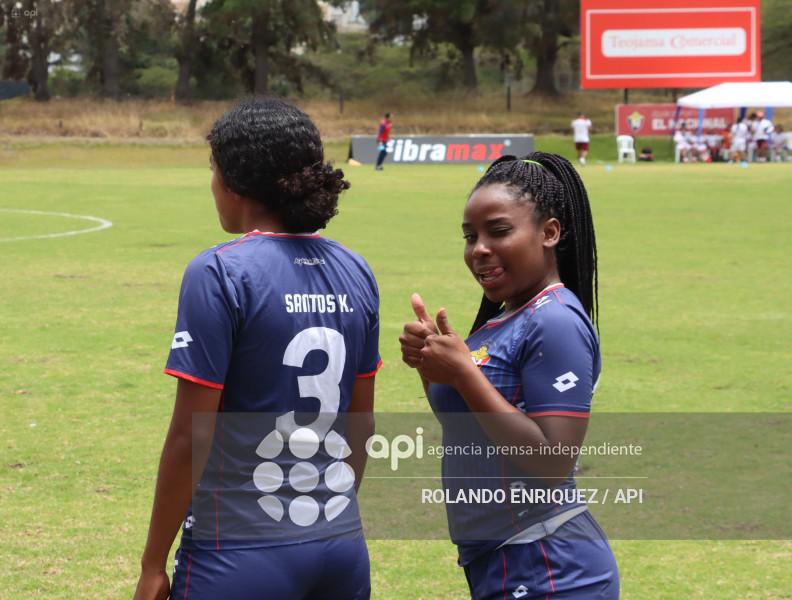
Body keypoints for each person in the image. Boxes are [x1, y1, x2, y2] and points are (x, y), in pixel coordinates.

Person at [133, 97, 381, 600]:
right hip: (341, 545)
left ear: (233, 181)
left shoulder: (220, 272)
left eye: (212, 170)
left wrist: (153, 563)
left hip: (238, 555)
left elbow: (189, 436)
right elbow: (363, 422)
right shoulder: (357, 269)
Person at [399, 152, 619, 599]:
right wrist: (434, 367)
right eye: (470, 236)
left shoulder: (554, 321)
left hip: (551, 568)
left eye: (498, 231)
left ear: (549, 233)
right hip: (503, 561)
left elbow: (554, 463)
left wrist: (463, 373)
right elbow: (472, 430)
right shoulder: (505, 320)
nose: (479, 248)